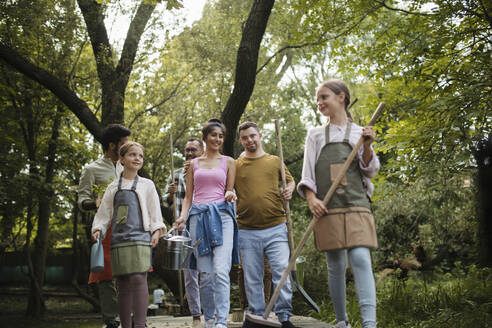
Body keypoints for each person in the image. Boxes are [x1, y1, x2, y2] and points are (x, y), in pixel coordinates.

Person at [297, 79, 379, 328]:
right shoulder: (315, 135)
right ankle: (342, 322)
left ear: (341, 97)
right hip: (328, 208)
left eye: (324, 97)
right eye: (318, 99)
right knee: (335, 265)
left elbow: (370, 170)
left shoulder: (359, 132)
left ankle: (369, 324)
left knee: (361, 259)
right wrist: (312, 199)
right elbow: (308, 175)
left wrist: (367, 146)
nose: (319, 103)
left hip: (356, 204)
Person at [92, 141, 166, 328]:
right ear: (121, 159)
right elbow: (103, 214)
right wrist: (98, 229)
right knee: (123, 282)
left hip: (142, 238)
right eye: (132, 155)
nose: (137, 159)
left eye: (140, 156)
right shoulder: (112, 187)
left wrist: (157, 230)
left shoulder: (147, 185)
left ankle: (140, 325)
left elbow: (155, 211)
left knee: (139, 278)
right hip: (118, 240)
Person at [174, 118, 239, 328]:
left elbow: (229, 188)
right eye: (214, 135)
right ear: (205, 137)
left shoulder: (229, 162)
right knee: (205, 275)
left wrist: (230, 193)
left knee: (221, 269)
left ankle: (222, 321)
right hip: (198, 218)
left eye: (221, 136)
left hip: (222, 217)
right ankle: (209, 319)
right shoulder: (193, 164)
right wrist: (183, 216)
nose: (218, 139)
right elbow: (188, 197)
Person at [235, 121, 296, 328]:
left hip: (276, 226)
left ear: (260, 135)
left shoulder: (274, 161)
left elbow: (290, 181)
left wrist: (289, 189)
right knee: (252, 276)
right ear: (240, 140)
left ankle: (284, 315)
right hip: (246, 229)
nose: (249, 140)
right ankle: (256, 316)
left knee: (281, 271)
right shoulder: (235, 165)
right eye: (245, 137)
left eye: (253, 136)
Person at [78, 123, 131, 328]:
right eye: (124, 144)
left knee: (129, 274)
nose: (129, 148)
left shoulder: (128, 166)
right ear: (112, 145)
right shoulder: (92, 169)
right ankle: (111, 321)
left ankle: (128, 317)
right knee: (106, 276)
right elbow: (82, 200)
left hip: (128, 228)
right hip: (105, 227)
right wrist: (94, 202)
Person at [163, 137, 212, 327]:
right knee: (189, 274)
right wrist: (170, 192)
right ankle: (195, 315)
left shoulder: (208, 172)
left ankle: (211, 313)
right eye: (187, 150)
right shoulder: (176, 175)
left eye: (193, 150)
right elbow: (165, 201)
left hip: (204, 226)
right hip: (183, 229)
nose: (189, 153)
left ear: (202, 152)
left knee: (208, 272)